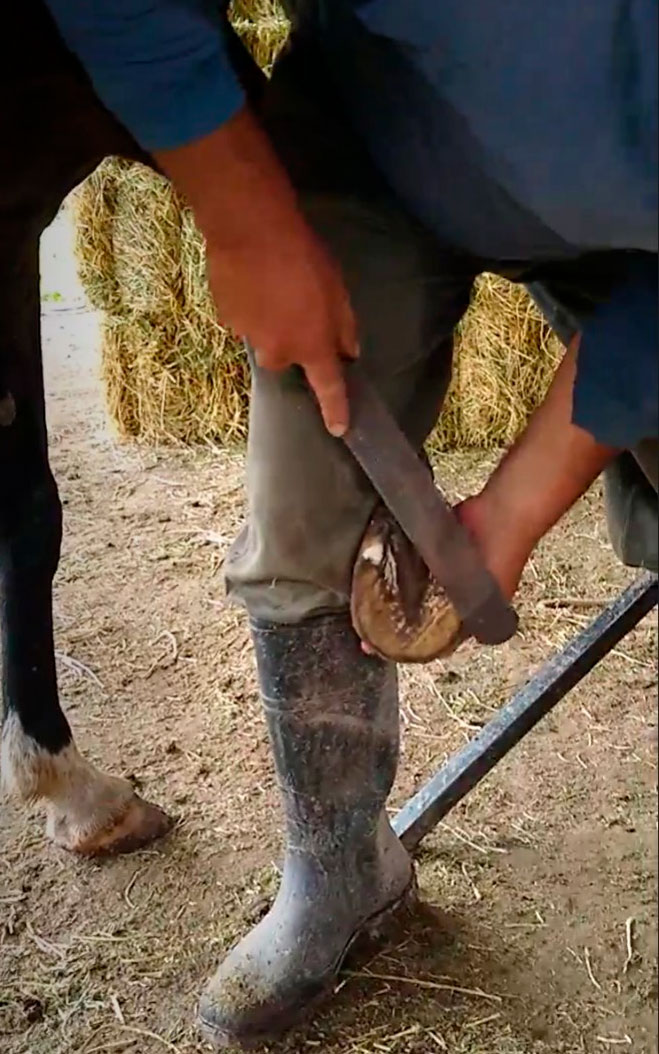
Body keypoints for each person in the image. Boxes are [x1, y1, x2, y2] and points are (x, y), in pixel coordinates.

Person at [33, 0, 659, 1047]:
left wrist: (514, 502)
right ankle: (339, 874)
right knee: (303, 505)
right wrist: (241, 214)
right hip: (379, 135)